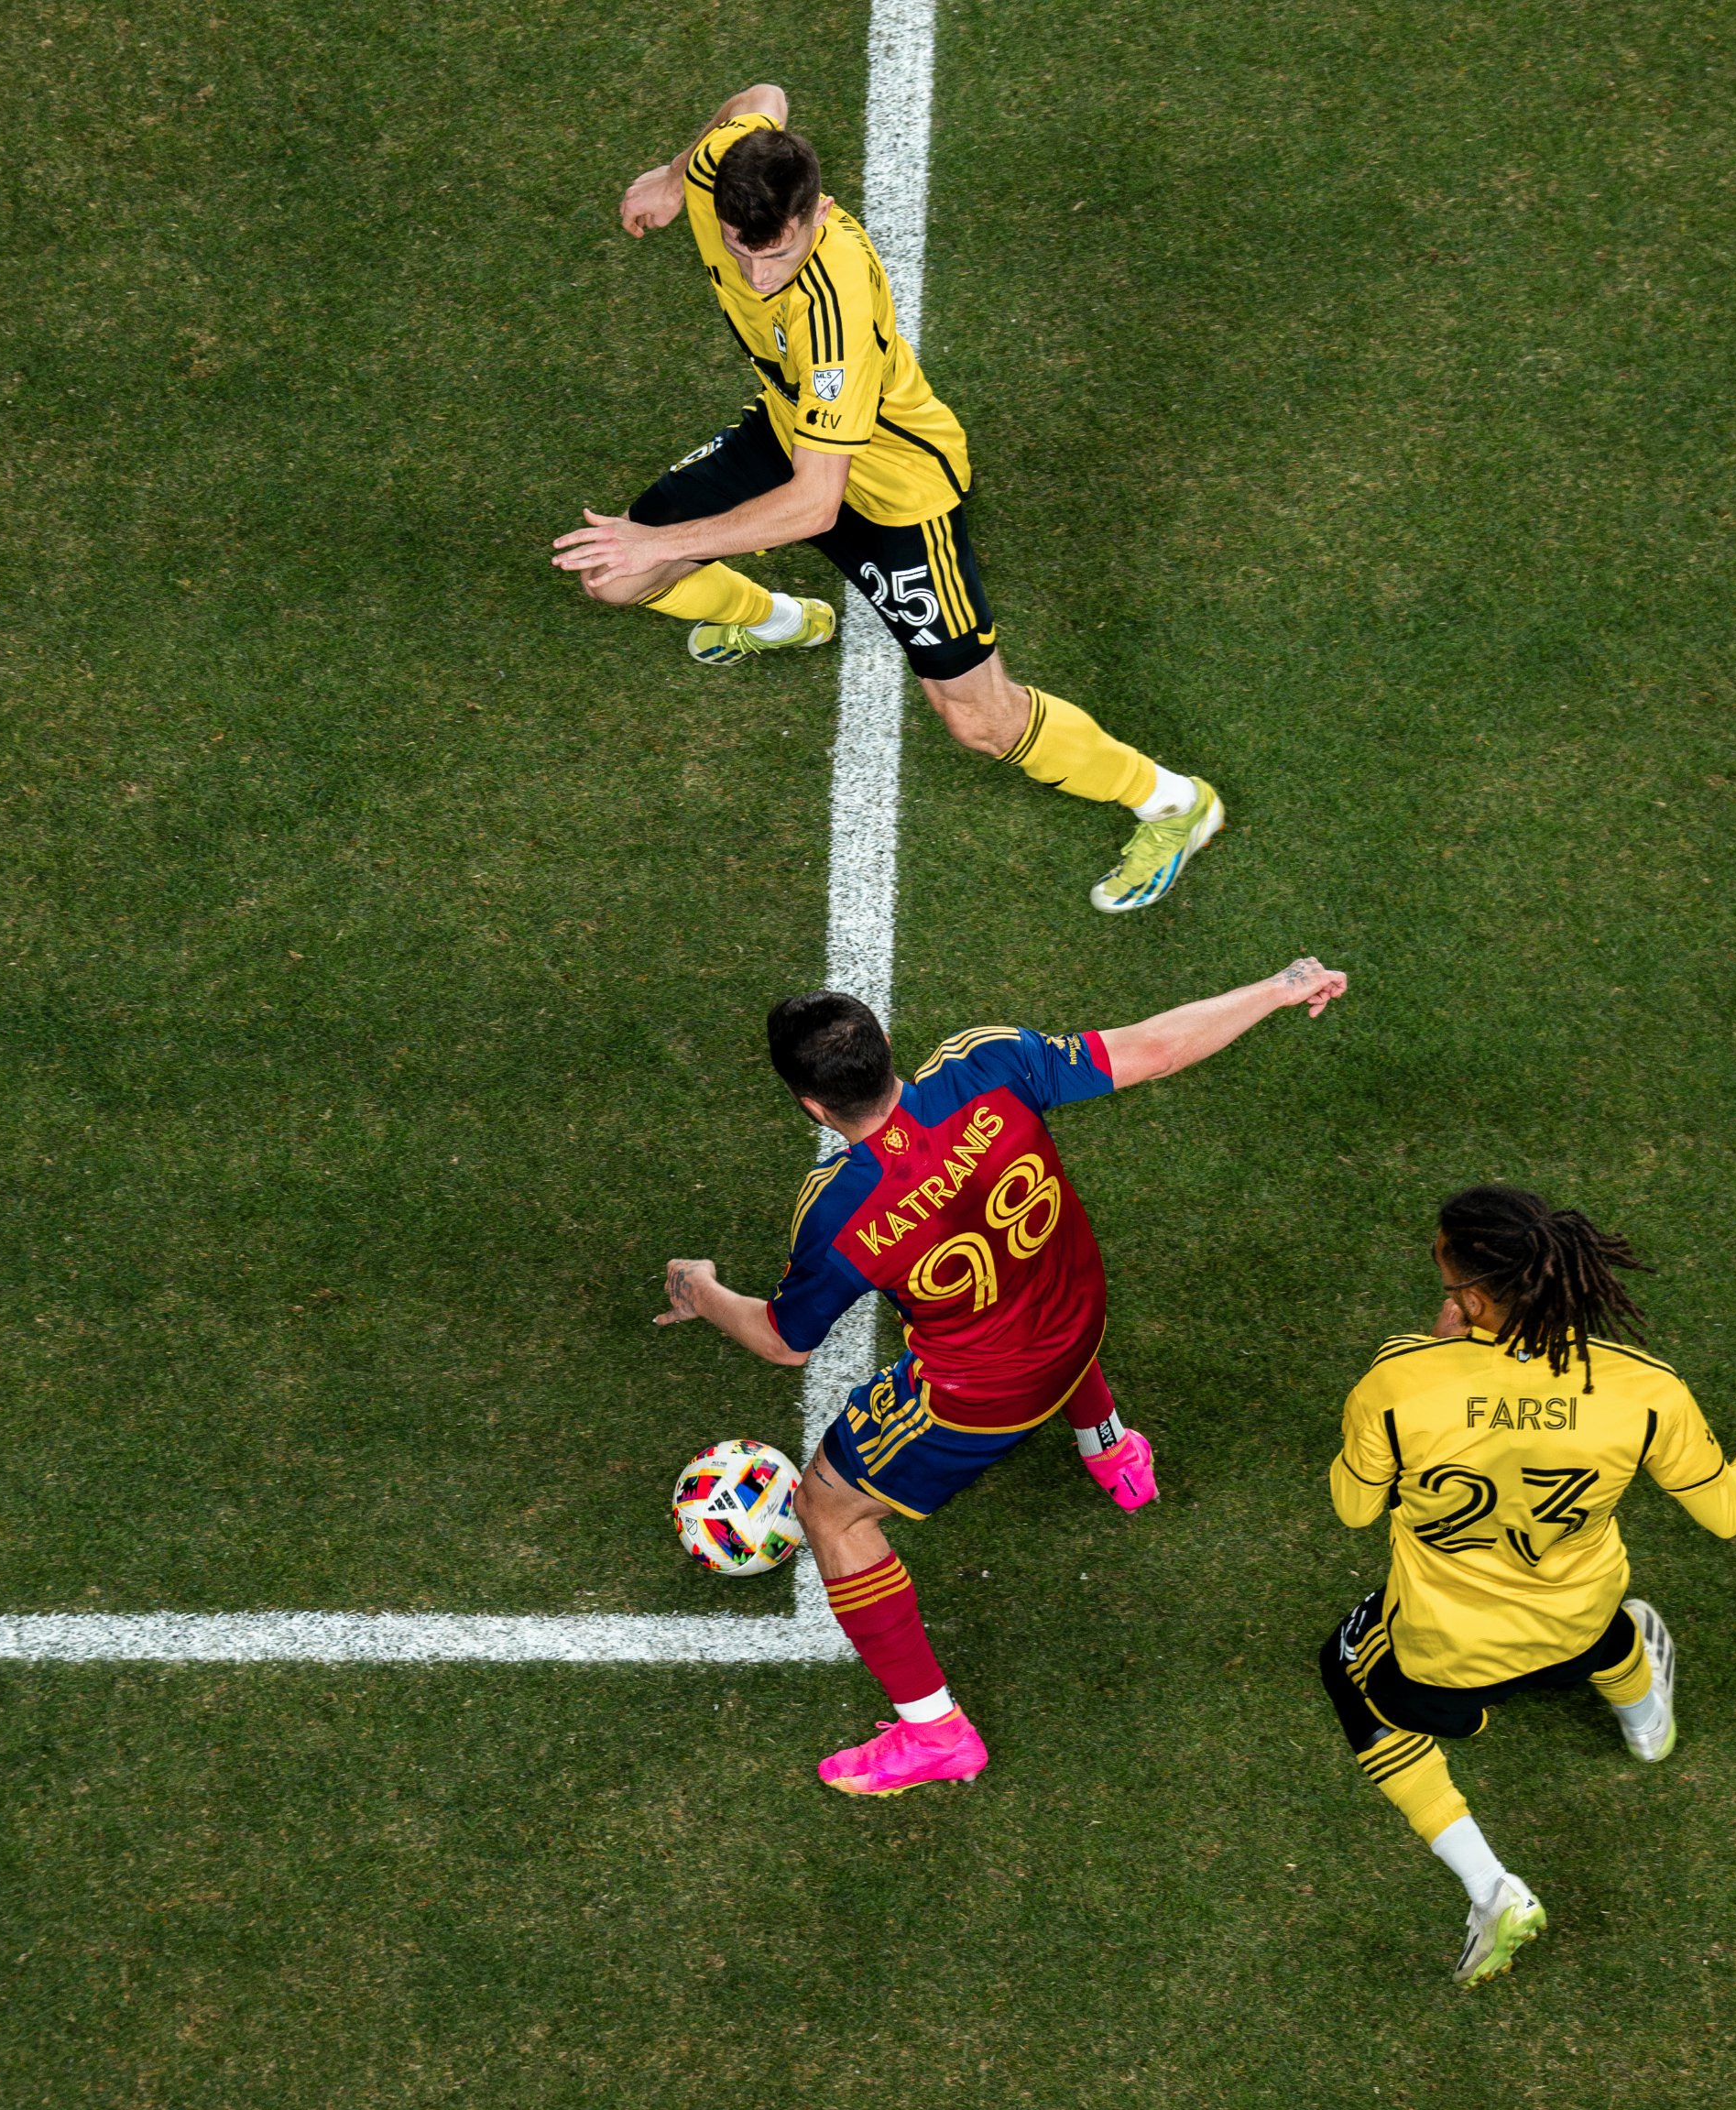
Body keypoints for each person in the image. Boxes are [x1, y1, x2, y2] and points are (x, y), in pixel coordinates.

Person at [659, 959, 1350, 1792]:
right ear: (887, 1046)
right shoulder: (987, 1063)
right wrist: (1280, 987)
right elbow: (1158, 1048)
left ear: (811, 1104)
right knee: (1030, 1304)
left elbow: (784, 1341)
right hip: (1078, 1310)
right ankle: (1114, 1453)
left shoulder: (840, 1208)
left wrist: (704, 1290)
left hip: (985, 1394)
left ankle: (934, 1733)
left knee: (828, 1510)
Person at [553, 82, 1228, 914]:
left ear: (818, 211)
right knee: (612, 577)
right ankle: (776, 619)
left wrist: (660, 541)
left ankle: (1173, 803)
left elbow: (815, 507)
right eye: (740, 252)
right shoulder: (721, 169)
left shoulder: (831, 308)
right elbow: (762, 95)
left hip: (890, 492)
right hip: (790, 429)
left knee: (978, 720)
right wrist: (667, 172)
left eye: (778, 255)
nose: (758, 277)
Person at [1317, 1186, 1736, 1984]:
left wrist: (1429, 1358)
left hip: (1446, 1651)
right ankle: (1647, 1724)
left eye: (1448, 1283)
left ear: (1472, 1299)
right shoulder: (1643, 1384)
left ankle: (1491, 1887)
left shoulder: (1400, 1379)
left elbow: (1352, 1506)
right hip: (1577, 1616)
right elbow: (1725, 1510)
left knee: (1346, 1666)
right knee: (1613, 1628)